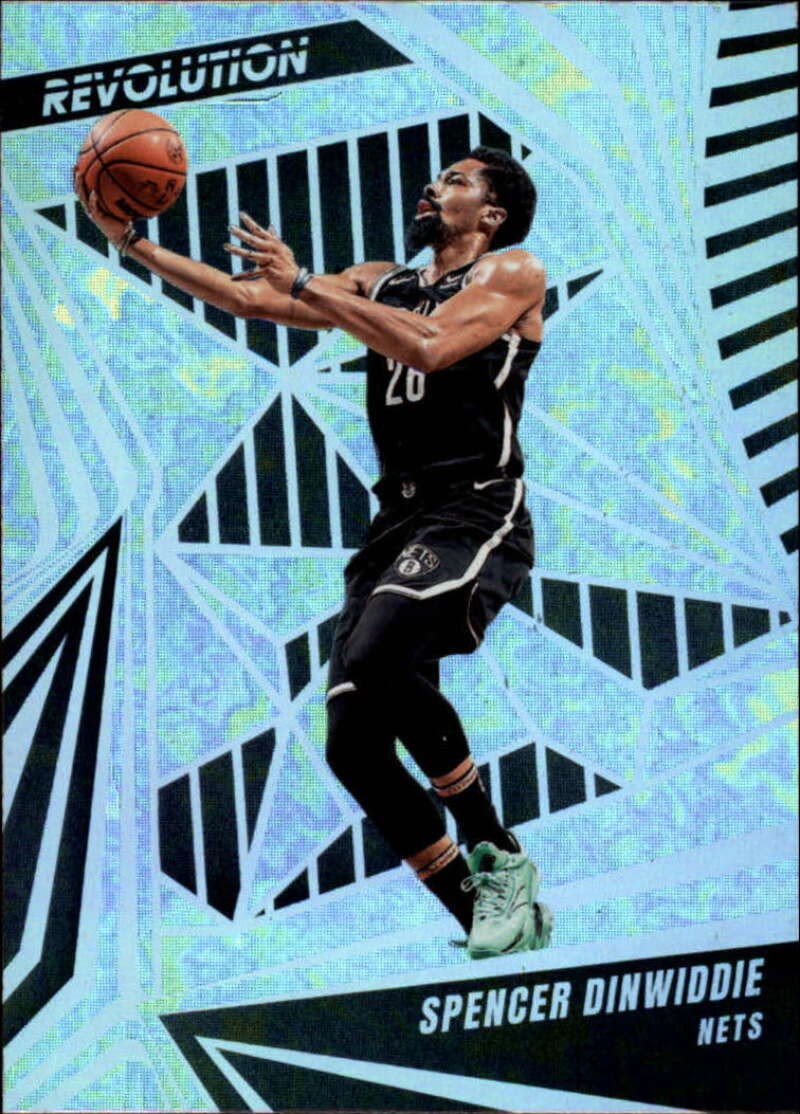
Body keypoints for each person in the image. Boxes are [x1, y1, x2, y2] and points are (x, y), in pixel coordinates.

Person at [78, 145, 552, 958]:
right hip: (396, 521)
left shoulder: (513, 272)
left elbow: (431, 346)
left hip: (472, 508)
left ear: (493, 213)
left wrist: (307, 283)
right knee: (352, 744)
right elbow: (245, 297)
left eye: (456, 181)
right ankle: (482, 914)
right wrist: (133, 243)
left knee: (377, 654)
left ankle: (496, 850)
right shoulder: (380, 281)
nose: (433, 186)